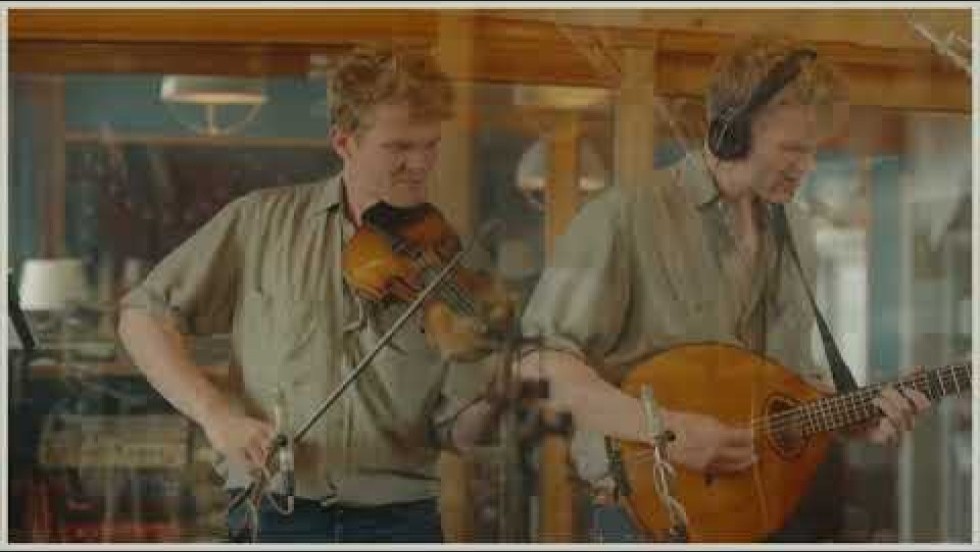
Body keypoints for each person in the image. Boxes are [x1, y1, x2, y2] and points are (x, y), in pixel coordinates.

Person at [517, 35, 931, 542]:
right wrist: (667, 431)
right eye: (793, 149)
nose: (807, 165)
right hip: (648, 523)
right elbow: (537, 367)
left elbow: (788, 389)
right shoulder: (624, 219)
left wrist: (853, 415)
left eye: (814, 150)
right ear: (731, 132)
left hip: (761, 518)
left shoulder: (797, 232)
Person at [117, 47, 502, 543]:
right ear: (343, 142)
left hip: (401, 520)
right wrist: (216, 415)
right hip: (276, 512)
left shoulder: (457, 262)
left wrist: (499, 395)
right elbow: (141, 317)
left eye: (431, 144)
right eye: (399, 146)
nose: (421, 164)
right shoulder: (258, 222)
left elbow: (458, 433)